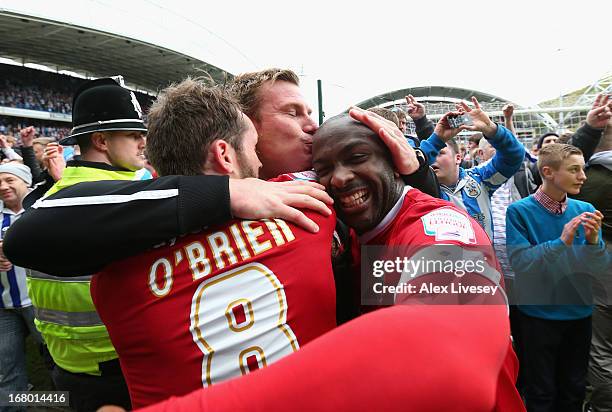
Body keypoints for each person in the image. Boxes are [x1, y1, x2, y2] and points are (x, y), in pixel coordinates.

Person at [86, 79, 338, 408]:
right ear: (225, 155)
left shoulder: (113, 278)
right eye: (251, 148)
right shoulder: (305, 209)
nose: (259, 163)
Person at [506, 143, 608, 412]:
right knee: (541, 391)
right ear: (548, 172)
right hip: (538, 316)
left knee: (574, 390)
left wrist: (594, 242)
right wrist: (561, 242)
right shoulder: (519, 211)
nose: (583, 176)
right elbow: (521, 263)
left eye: (582, 169)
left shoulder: (584, 207)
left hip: (579, 313)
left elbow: (599, 268)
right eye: (574, 170)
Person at [418, 97, 525, 240]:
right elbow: (410, 167)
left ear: (458, 158)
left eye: (440, 153)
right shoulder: (420, 190)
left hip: (485, 261)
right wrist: (436, 140)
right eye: (430, 155)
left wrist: (492, 129)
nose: (432, 159)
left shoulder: (480, 178)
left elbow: (514, 156)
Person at [0, 163, 43, 410]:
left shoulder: (40, 211)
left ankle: (67, 401)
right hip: (4, 306)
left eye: (10, 180)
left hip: (40, 304)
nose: (4, 186)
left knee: (57, 363)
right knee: (7, 369)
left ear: (26, 182)